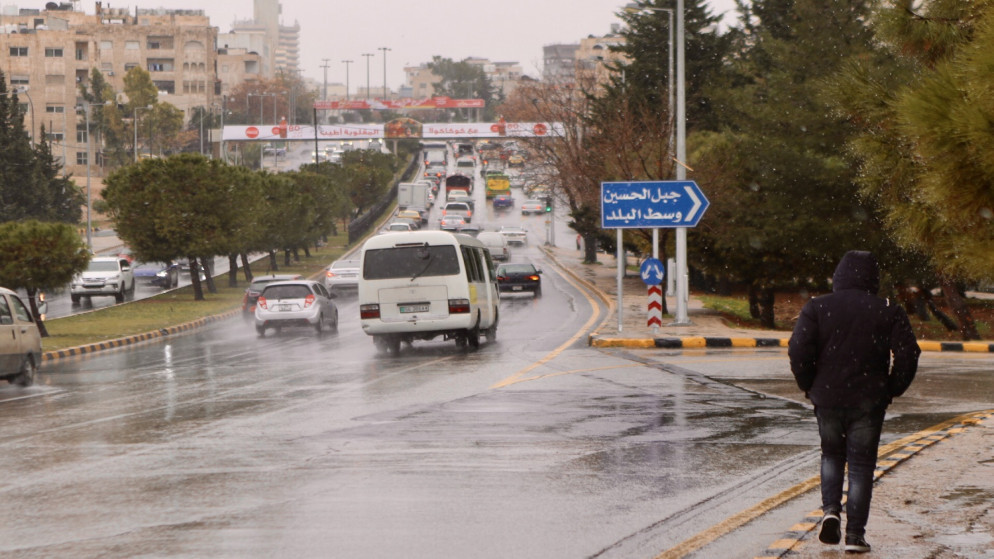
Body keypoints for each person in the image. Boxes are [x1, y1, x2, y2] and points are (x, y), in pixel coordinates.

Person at [788, 250, 920, 554]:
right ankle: (855, 535)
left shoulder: (818, 307)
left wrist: (808, 385)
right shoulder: (888, 309)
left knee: (831, 455)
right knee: (861, 465)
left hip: (828, 396)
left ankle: (831, 511)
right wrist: (892, 388)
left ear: (839, 276)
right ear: (873, 278)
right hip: (869, 399)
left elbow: (798, 350)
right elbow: (908, 354)